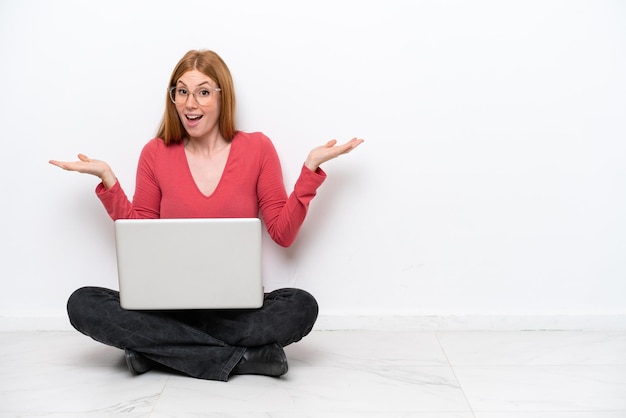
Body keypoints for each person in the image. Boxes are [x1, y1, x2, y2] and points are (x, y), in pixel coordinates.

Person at [49, 49, 363, 381]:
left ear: (222, 96)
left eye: (202, 92)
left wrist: (310, 171)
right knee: (83, 303)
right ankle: (246, 358)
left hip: (234, 310)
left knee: (301, 305)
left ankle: (156, 353)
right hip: (166, 306)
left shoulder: (257, 149)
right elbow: (140, 233)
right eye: (181, 91)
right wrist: (109, 182)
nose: (190, 103)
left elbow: (282, 234)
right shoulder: (155, 153)